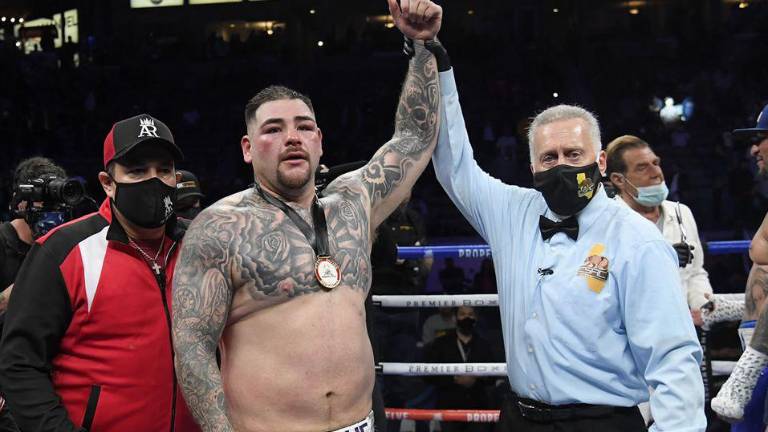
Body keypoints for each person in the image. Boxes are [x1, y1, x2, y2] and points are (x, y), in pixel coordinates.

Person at [171, 1, 443, 431]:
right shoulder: (220, 228)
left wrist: (423, 46)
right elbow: (193, 349)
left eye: (303, 126)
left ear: (319, 141)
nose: (292, 137)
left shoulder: (355, 202)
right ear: (248, 148)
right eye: (273, 129)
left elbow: (414, 137)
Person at [432, 55, 705, 430]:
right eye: (549, 157)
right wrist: (436, 63)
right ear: (533, 168)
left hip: (601, 422)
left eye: (573, 154)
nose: (561, 165)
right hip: (519, 418)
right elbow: (454, 166)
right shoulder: (513, 213)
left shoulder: (638, 240)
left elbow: (673, 359)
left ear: (602, 162)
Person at [0, 114, 200, 432]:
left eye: (164, 170)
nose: (154, 180)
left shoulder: (202, 244)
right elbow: (20, 364)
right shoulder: (63, 250)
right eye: (137, 171)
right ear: (108, 183)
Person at [605, 135, 714, 324]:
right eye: (642, 167)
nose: (656, 173)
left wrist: (703, 307)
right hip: (630, 328)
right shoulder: (607, 221)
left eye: (656, 163)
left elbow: (695, 273)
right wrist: (660, 258)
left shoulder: (681, 212)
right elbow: (602, 284)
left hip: (681, 327)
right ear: (619, 180)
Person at [712, 103, 768, 422]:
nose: (753, 149)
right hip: (757, 343)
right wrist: (725, 307)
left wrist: (747, 371)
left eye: (761, 139)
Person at [425, 306, 495, 432]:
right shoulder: (441, 344)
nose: (467, 318)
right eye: (462, 314)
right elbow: (429, 375)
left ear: (476, 318)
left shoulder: (484, 345)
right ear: (455, 318)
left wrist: (476, 379)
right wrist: (453, 379)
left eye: (470, 314)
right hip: (449, 407)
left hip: (478, 408)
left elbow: (493, 377)